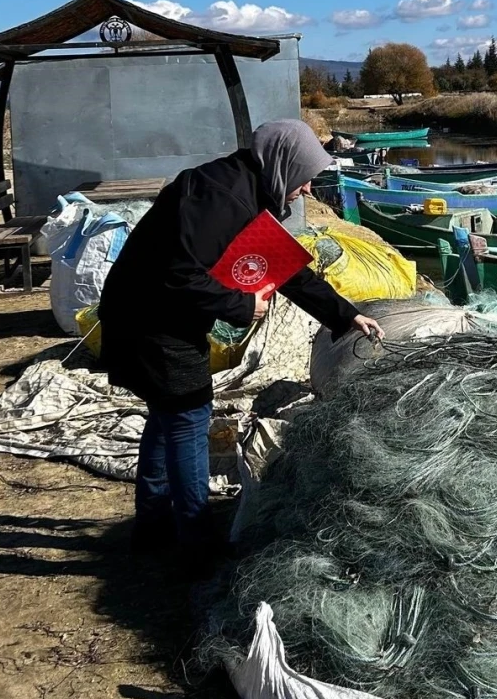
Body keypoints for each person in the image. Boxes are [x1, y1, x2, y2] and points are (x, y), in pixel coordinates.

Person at [98, 119, 384, 554]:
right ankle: (195, 543)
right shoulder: (221, 198)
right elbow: (177, 272)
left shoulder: (248, 188)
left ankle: (154, 526)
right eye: (305, 178)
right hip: (149, 324)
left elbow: (284, 268)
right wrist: (239, 305)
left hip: (157, 317)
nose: (308, 189)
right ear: (285, 164)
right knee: (189, 416)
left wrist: (346, 317)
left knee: (167, 417)